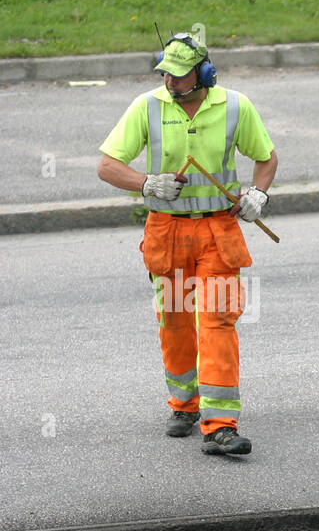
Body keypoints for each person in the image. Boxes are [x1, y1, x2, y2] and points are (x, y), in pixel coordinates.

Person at [97, 31, 277, 455]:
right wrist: (148, 183)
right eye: (165, 74)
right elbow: (107, 166)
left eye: (179, 76)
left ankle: (220, 426)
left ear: (205, 73)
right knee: (176, 322)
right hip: (169, 233)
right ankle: (184, 405)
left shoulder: (235, 106)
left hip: (218, 234)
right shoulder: (147, 106)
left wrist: (258, 195)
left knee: (216, 321)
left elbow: (266, 158)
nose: (170, 83)